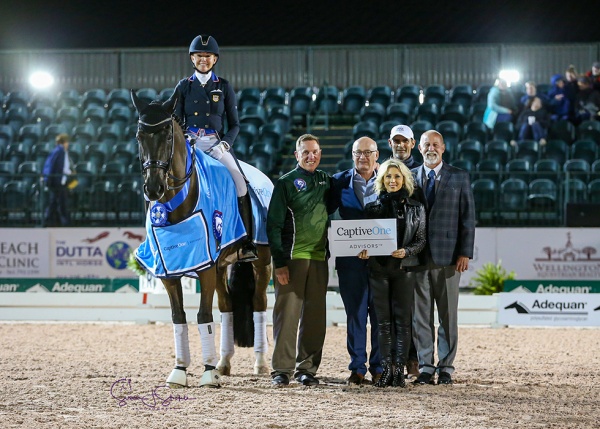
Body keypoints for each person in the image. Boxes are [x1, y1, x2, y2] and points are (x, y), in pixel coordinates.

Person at [174, 34, 257, 261]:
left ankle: (246, 241)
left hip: (216, 144)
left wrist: (225, 144)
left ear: (214, 59)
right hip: (191, 144)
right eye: (199, 56)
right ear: (192, 58)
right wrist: (185, 139)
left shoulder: (224, 86)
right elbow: (176, 120)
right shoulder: (184, 86)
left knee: (240, 183)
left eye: (208, 56)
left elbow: (235, 124)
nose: (203, 59)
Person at [411, 130, 476, 386]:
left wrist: (464, 252)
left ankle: (446, 367)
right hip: (417, 259)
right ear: (420, 148)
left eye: (435, 144)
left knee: (448, 316)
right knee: (421, 316)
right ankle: (426, 367)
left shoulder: (459, 176)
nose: (431, 148)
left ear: (444, 148)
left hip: (449, 258)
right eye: (426, 144)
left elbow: (468, 218)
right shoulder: (410, 177)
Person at [267, 134, 331, 387]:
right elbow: (273, 225)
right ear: (297, 155)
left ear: (320, 153)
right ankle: (281, 370)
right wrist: (279, 262)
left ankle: (307, 369)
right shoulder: (285, 183)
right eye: (305, 152)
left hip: (319, 259)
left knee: (315, 318)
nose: (310, 156)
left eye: (314, 151)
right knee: (287, 317)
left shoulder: (327, 181)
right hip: (292, 260)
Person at [358, 159, 426, 388]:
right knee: (383, 323)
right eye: (388, 177)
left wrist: (407, 251)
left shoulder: (417, 207)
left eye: (396, 177)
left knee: (403, 323)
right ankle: (387, 369)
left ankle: (399, 369)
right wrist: (363, 251)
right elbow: (363, 240)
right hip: (378, 271)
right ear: (382, 180)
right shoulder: (371, 208)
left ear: (404, 179)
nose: (392, 180)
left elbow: (421, 240)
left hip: (404, 270)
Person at [330, 136, 382, 386]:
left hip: (383, 262)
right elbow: (326, 215)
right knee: (355, 315)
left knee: (381, 316)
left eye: (367, 152)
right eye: (357, 153)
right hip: (351, 261)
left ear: (377, 154)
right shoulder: (338, 182)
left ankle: (379, 367)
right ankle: (357, 367)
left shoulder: (390, 179)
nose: (362, 157)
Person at [387, 124, 422, 378]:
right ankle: (392, 361)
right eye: (396, 141)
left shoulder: (421, 174)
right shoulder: (384, 172)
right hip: (386, 258)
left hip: (413, 254)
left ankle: (413, 358)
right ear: (390, 143)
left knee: (412, 311)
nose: (400, 145)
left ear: (412, 144)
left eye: (404, 141)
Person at [42, 133, 72, 227]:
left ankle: (53, 222)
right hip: (57, 182)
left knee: (56, 203)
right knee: (56, 203)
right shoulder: (60, 152)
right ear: (65, 142)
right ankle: (50, 222)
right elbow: (60, 166)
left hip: (56, 182)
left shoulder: (56, 151)